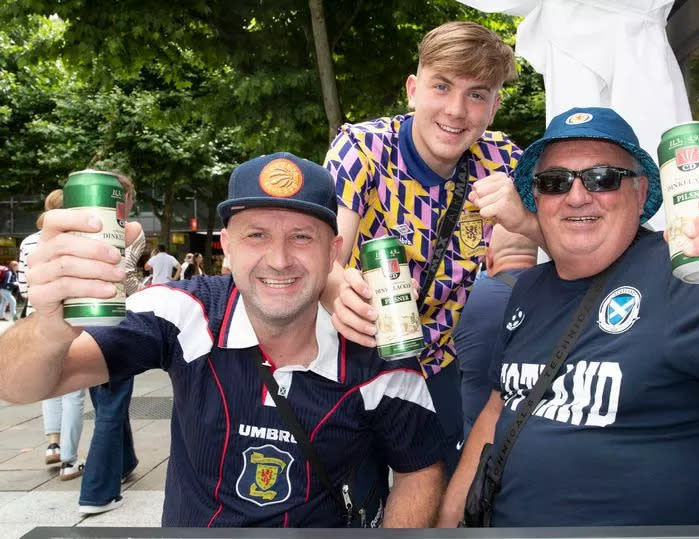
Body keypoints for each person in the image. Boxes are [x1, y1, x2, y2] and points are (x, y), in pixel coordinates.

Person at [0, 152, 445, 528]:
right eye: (257, 235)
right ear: (227, 247)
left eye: (301, 236)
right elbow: (17, 385)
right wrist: (52, 323)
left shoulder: (376, 343)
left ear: (334, 251)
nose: (279, 259)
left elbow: (419, 470)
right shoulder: (182, 312)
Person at [438, 107, 699, 527]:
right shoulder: (527, 289)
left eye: (603, 178)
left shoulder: (690, 276)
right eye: (555, 182)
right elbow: (495, 413)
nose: (577, 196)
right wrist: (448, 529)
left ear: (640, 191)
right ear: (537, 199)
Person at [322, 21, 537, 475]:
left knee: (432, 489)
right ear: (414, 89)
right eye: (442, 86)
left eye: (477, 94)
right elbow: (327, 255)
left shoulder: (504, 160)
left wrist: (526, 222)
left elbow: (575, 239)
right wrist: (337, 290)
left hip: (438, 364)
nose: (456, 111)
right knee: (349, 492)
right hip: (353, 357)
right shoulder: (361, 148)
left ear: (495, 106)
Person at [79, 171, 146, 515]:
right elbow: (128, 276)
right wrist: (149, 296)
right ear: (126, 198)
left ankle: (125, 461)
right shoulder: (130, 228)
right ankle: (97, 492)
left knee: (106, 396)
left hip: (85, 317)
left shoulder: (84, 228)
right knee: (113, 403)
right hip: (118, 315)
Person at [18, 189, 87, 479]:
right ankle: (70, 461)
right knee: (73, 390)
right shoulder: (77, 242)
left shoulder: (28, 243)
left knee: (49, 386)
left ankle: (52, 445)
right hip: (70, 319)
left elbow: (24, 288)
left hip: (40, 319)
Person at [453, 225, 537, 435]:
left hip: (470, 439)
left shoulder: (465, 295)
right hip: (531, 435)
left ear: (488, 258)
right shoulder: (558, 295)